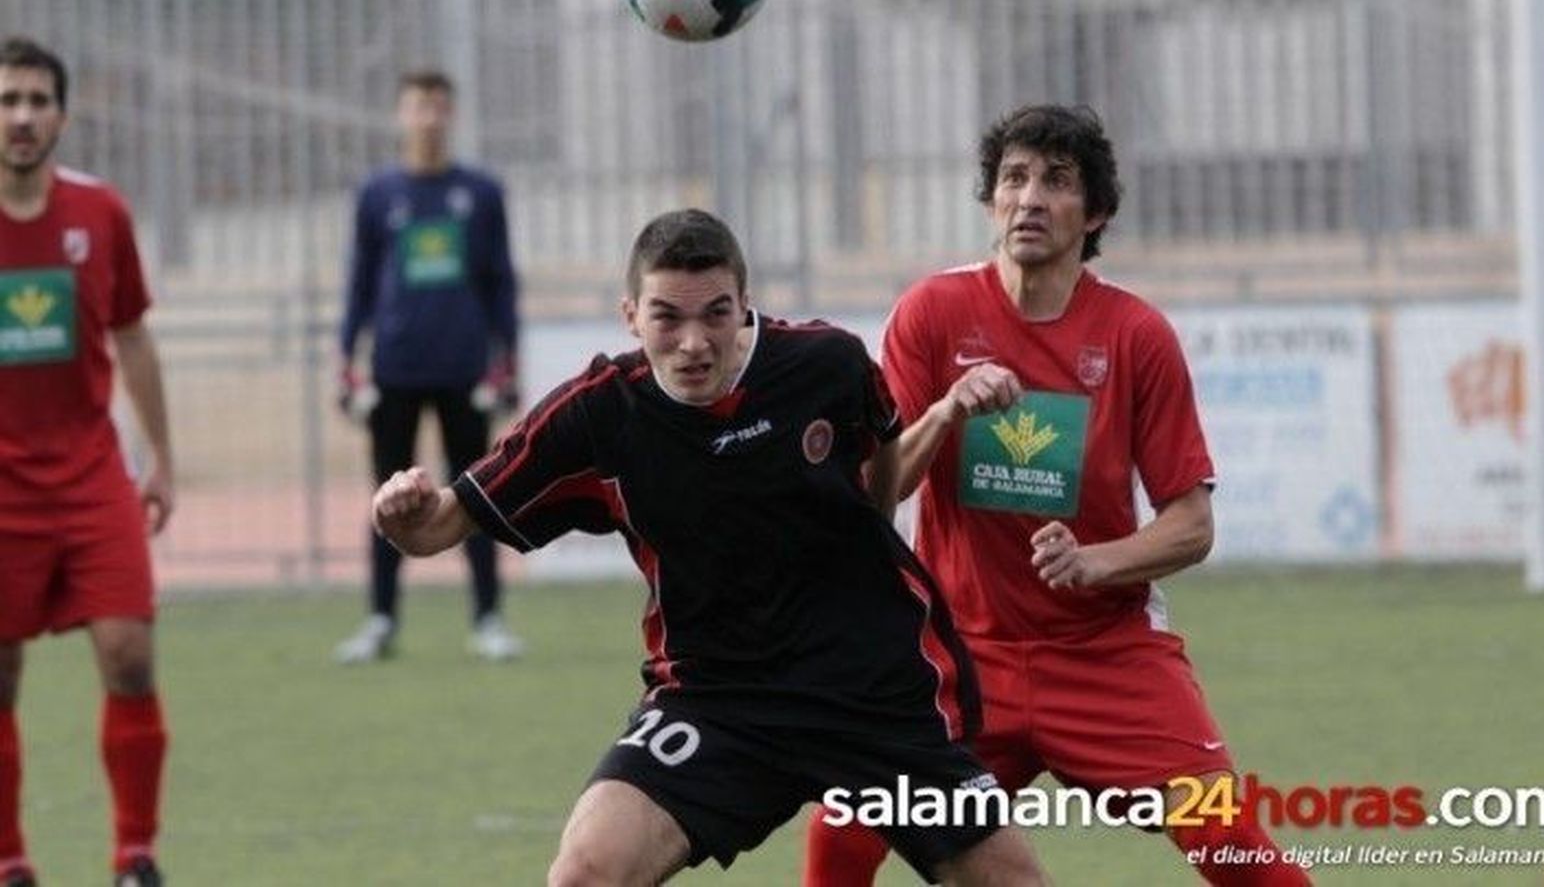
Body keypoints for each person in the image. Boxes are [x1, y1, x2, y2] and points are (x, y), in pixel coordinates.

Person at [372, 208, 1051, 885]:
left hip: (868, 690)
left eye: (716, 315)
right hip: (717, 697)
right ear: (631, 316)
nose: (694, 342)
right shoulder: (597, 413)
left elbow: (881, 466)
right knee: (585, 872)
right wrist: (401, 512)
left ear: (744, 306)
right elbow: (437, 526)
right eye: (668, 317)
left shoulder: (828, 364)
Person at [802, 104, 1311, 887]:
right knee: (841, 833)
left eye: (1057, 180)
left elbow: (1191, 524)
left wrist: (1096, 561)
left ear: (1096, 211)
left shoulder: (1137, 336)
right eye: (1014, 177)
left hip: (1104, 655)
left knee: (1234, 845)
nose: (1030, 197)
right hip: (958, 655)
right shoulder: (932, 314)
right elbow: (875, 494)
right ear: (990, 201)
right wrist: (946, 411)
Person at [0, 37, 173, 887]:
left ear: (62, 115)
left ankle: (134, 855)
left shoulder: (101, 213)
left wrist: (162, 460)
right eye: (7, 100)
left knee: (129, 652)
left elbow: (133, 334)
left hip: (90, 473)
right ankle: (9, 861)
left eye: (36, 100)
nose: (22, 116)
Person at [333, 70, 523, 664]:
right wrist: (347, 358)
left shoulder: (482, 193)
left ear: (452, 115)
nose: (429, 117)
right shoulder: (377, 194)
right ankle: (381, 619)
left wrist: (506, 361)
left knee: (477, 493)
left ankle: (488, 617)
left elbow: (500, 284)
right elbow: (360, 284)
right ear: (400, 114)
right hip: (395, 366)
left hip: (464, 367)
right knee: (387, 495)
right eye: (418, 106)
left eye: (439, 106)